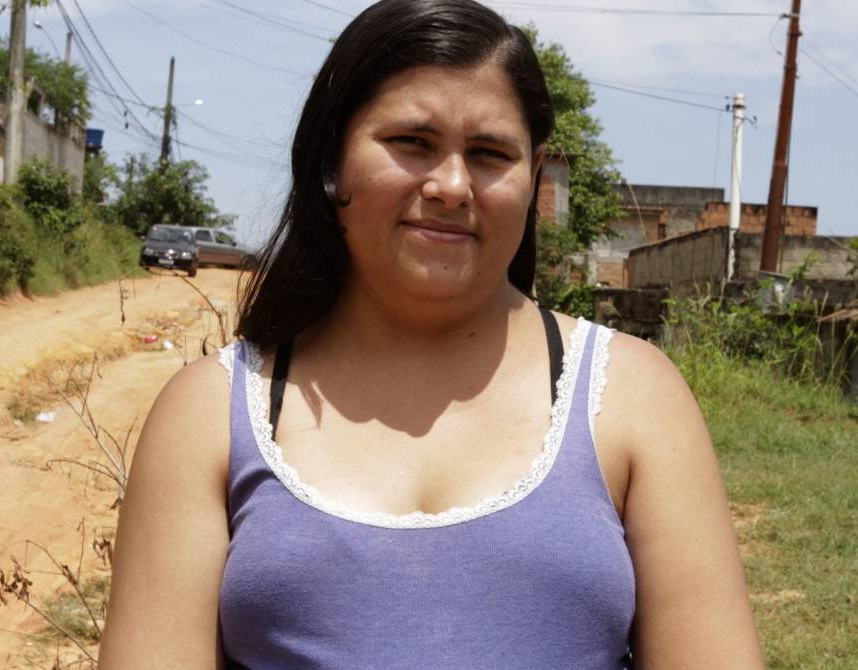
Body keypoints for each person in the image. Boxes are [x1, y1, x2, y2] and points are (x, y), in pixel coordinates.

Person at [99, 0, 764, 667]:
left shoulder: (635, 397)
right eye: (412, 143)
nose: (451, 185)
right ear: (332, 164)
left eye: (489, 154)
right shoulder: (208, 414)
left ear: (533, 185)